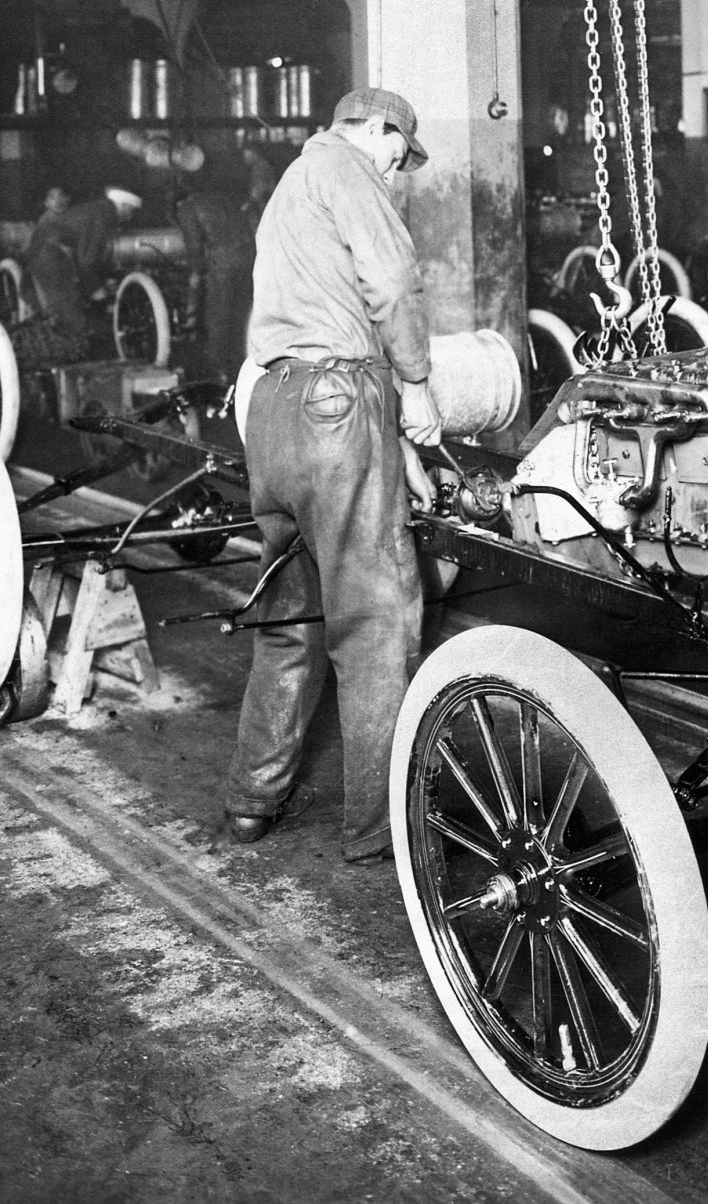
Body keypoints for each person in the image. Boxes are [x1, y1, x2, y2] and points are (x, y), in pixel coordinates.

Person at [221, 87, 442, 865]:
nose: (398, 169)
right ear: (376, 128)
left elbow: (313, 319)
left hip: (274, 413)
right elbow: (392, 279)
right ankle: (379, 827)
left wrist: (389, 447)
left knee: (290, 621)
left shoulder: (291, 183)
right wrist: (414, 387)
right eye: (398, 151)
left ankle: (252, 798)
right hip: (336, 408)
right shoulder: (350, 171)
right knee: (375, 622)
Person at [23, 185, 136, 359]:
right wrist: (101, 297)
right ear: (123, 206)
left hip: (49, 256)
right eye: (131, 210)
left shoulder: (98, 210)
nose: (130, 216)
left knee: (68, 312)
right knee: (71, 320)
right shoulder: (105, 215)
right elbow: (87, 262)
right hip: (51, 258)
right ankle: (67, 362)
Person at [170, 157, 258, 381]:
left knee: (218, 320)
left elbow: (194, 246)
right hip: (248, 259)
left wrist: (195, 274)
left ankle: (217, 376)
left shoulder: (187, 208)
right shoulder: (225, 200)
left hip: (222, 265)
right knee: (240, 318)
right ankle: (241, 370)